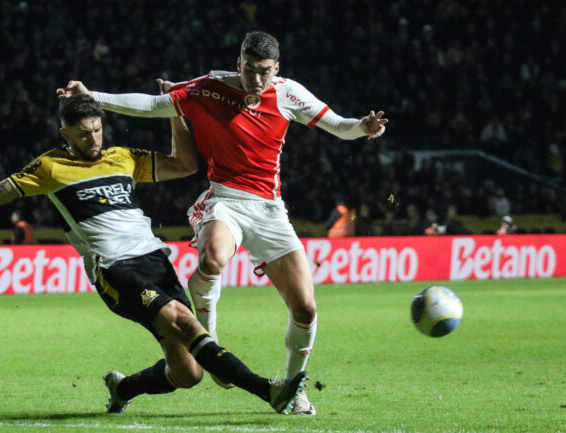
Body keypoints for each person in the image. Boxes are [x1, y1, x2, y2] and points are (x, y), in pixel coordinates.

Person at [0, 94, 308, 414]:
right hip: (115, 269)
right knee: (183, 321)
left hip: (154, 260)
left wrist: (174, 112)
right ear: (65, 135)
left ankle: (122, 388)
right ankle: (268, 391)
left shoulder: (121, 157)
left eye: (97, 130)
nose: (94, 139)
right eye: (84, 133)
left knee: (188, 373)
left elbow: (183, 164)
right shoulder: (50, 169)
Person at [57, 30, 387, 415]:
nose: (256, 79)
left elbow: (338, 125)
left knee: (306, 308)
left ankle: (295, 389)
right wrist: (92, 96)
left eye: (264, 71)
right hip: (225, 200)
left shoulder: (289, 94)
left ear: (276, 69)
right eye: (249, 70)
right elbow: (153, 104)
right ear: (239, 64)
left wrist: (362, 127)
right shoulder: (210, 87)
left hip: (269, 210)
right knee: (212, 258)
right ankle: (209, 337)